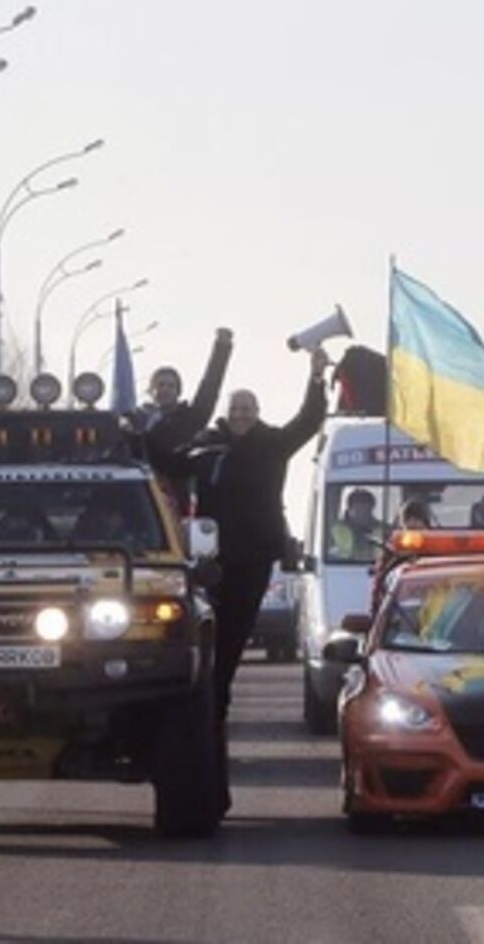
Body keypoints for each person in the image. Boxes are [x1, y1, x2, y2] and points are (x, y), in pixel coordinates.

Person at [160, 347, 328, 817]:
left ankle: (216, 705)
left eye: (248, 410)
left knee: (229, 651)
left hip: (253, 563)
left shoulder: (273, 444)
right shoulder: (206, 446)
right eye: (235, 410)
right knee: (204, 652)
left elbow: (309, 420)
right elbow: (166, 461)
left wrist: (316, 376)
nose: (241, 417)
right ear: (225, 413)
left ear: (257, 415)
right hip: (209, 563)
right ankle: (208, 708)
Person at [138, 328, 233, 513]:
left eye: (171, 386)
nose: (165, 390)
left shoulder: (190, 418)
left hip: (176, 498)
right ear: (150, 390)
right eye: (160, 385)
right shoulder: (136, 420)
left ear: (178, 391)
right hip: (141, 498)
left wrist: (222, 347)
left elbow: (210, 386)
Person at [330, 489, 383, 560]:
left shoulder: (383, 529)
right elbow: (329, 554)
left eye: (366, 509)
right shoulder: (336, 530)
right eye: (358, 509)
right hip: (343, 568)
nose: (363, 512)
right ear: (350, 509)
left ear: (372, 508)